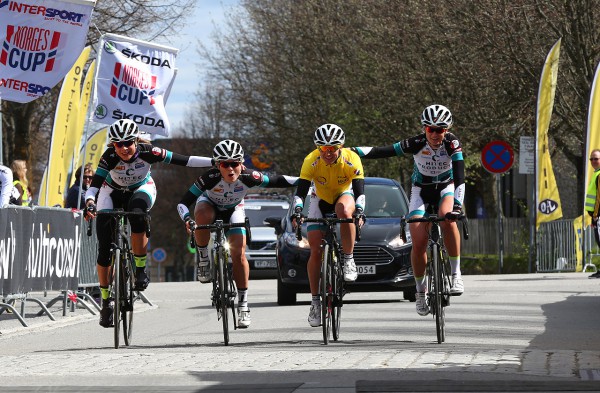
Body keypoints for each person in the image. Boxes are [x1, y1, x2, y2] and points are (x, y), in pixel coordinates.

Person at [84, 119, 213, 328]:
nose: (124, 148)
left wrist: (215, 161)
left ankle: (141, 268)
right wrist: (89, 203)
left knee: (137, 213)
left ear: (136, 141)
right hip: (111, 192)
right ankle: (106, 301)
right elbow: (93, 188)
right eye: (119, 144)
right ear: (113, 145)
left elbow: (185, 160)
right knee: (104, 250)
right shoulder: (108, 157)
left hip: (140, 189)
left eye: (128, 143)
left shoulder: (149, 152)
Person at [352, 104, 465, 317]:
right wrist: (353, 151)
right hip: (421, 190)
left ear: (447, 130)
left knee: (448, 219)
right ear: (424, 129)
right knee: (418, 240)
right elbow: (382, 151)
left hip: (445, 188)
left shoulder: (452, 143)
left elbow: (460, 176)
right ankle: (421, 291)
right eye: (430, 129)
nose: (434, 134)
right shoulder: (416, 143)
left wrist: (457, 206)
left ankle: (456, 273)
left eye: (440, 129)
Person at [177, 139, 298, 328]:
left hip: (234, 209)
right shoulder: (209, 178)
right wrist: (187, 219)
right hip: (209, 206)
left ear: (241, 163)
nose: (231, 169)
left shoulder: (250, 176)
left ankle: (243, 305)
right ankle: (203, 259)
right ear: (218, 165)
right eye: (225, 164)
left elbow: (278, 180)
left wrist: (306, 180)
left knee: (239, 254)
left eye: (235, 164)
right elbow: (183, 202)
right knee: (202, 215)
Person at [291, 124, 365, 328]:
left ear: (341, 147)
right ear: (318, 148)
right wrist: (297, 211)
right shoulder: (310, 160)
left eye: (333, 148)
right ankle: (315, 301)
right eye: (324, 149)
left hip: (344, 194)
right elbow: (300, 192)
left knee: (345, 210)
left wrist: (360, 210)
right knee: (315, 251)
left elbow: (360, 192)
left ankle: (348, 259)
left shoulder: (352, 159)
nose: (329, 152)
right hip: (319, 199)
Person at [585, 149, 600, 278]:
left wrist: (596, 215)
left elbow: (599, 197)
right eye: (591, 159)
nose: (593, 161)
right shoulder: (596, 174)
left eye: (596, 159)